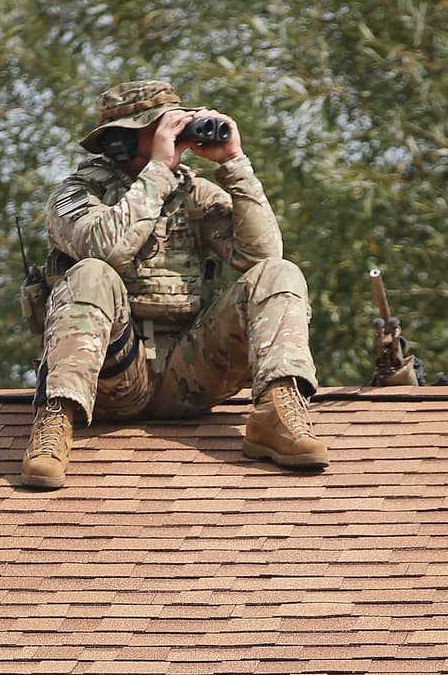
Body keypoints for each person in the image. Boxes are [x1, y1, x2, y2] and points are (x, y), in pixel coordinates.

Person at [22, 78, 328, 490]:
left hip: (191, 372)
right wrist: (157, 174)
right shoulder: (77, 194)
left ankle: (277, 410)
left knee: (281, 272)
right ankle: (54, 421)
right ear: (120, 142)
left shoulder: (194, 193)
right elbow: (105, 250)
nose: (177, 134)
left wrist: (234, 164)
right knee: (91, 274)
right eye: (160, 127)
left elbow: (261, 257)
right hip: (113, 377)